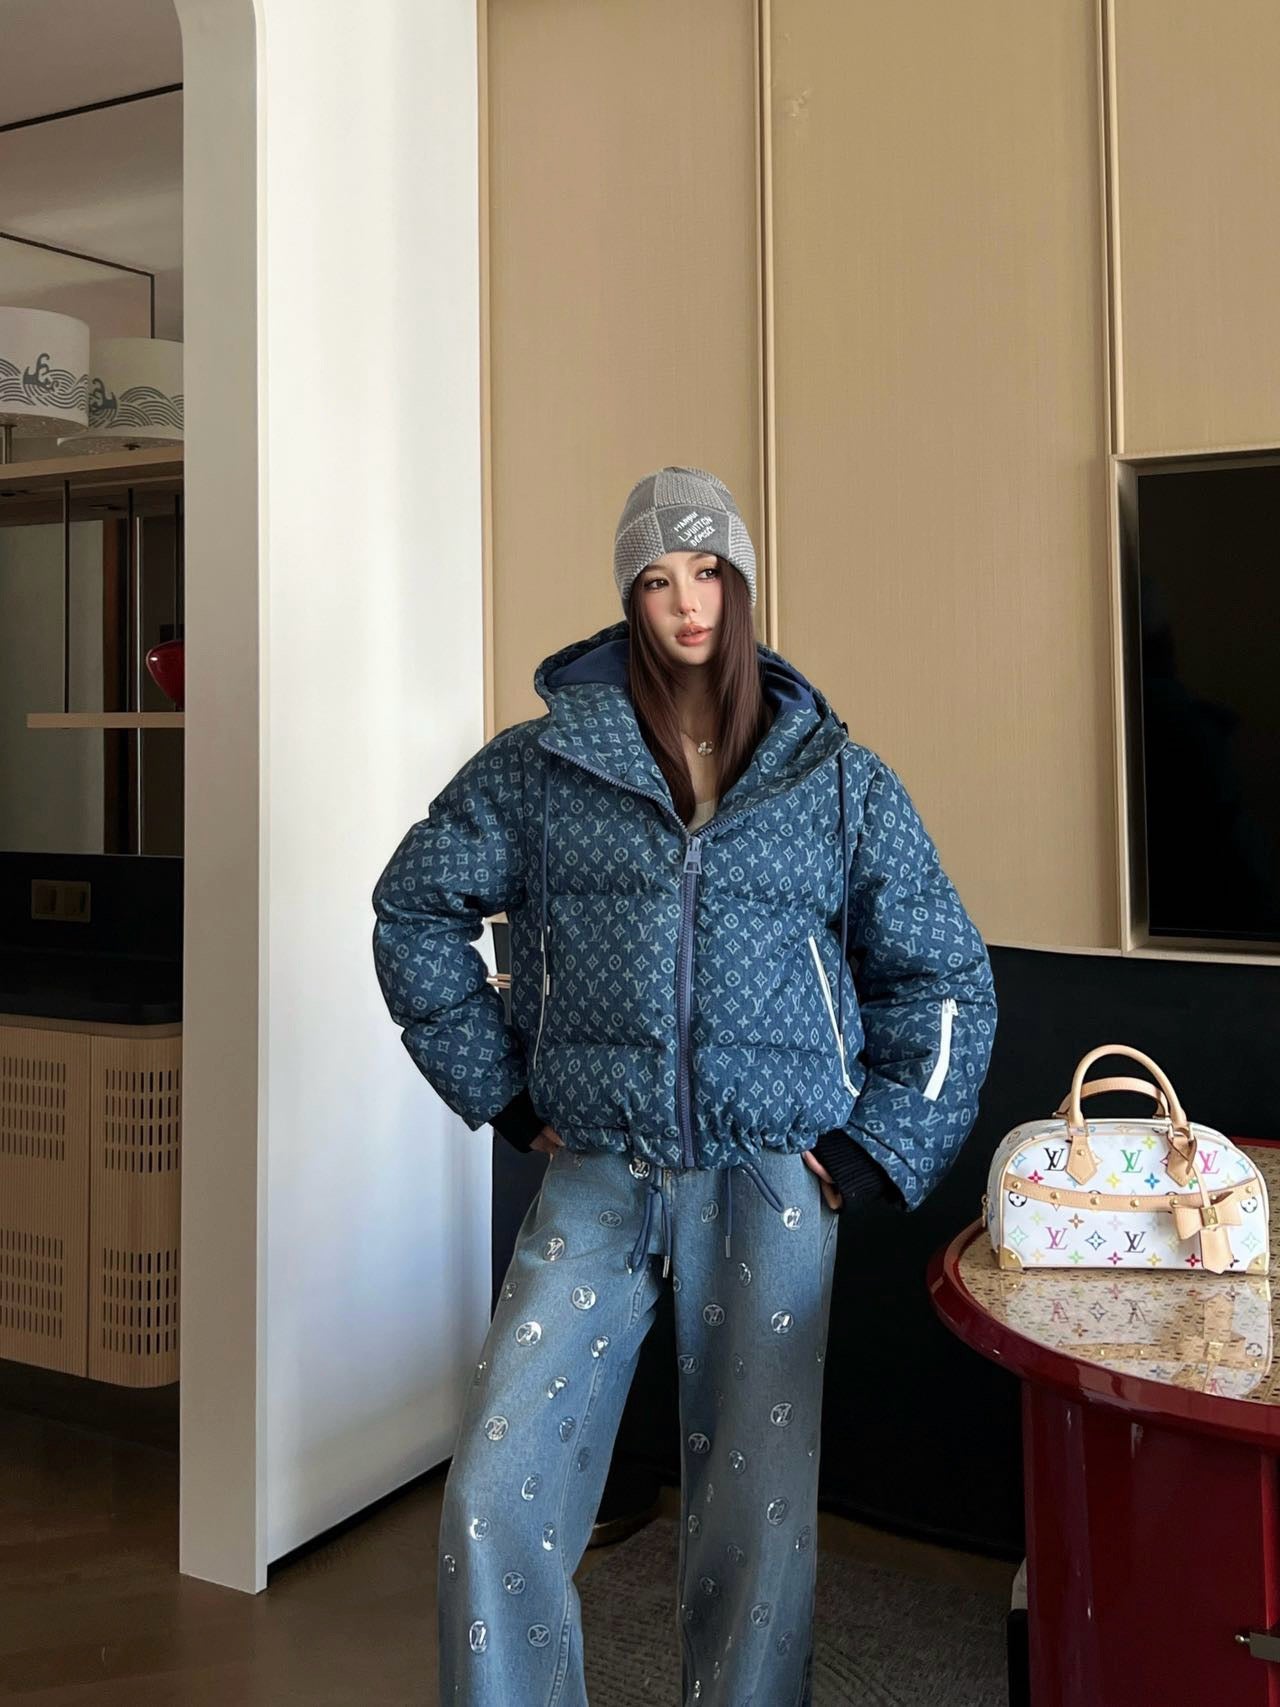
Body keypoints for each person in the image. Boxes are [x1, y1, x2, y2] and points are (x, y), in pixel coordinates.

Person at [370, 465, 997, 1707]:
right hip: (596, 1172)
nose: (686, 602)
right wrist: (503, 1092)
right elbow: (414, 909)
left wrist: (874, 1148)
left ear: (740, 582)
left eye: (707, 571)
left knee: (755, 1524)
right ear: (629, 599)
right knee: (496, 1491)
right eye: (656, 580)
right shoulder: (542, 766)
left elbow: (940, 978)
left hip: (771, 1178)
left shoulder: (833, 777)